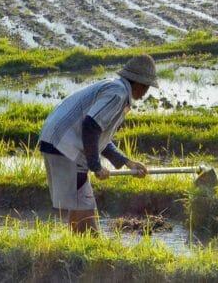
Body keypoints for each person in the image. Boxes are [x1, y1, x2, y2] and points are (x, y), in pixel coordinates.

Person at [38, 54, 156, 233]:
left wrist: (127, 162)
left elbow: (99, 137)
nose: (146, 92)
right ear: (139, 84)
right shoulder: (118, 94)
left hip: (57, 142)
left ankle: (77, 249)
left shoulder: (115, 89)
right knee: (85, 208)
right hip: (65, 146)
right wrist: (96, 166)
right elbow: (91, 126)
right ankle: (91, 250)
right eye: (147, 87)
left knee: (78, 205)